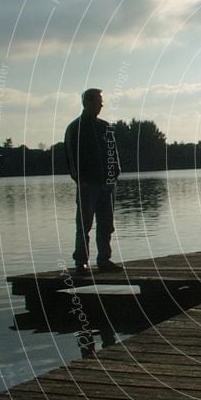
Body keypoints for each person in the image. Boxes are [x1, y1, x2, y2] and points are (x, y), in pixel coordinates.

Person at [65, 88, 122, 275]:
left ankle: (104, 260)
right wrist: (79, 180)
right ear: (87, 102)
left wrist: (115, 174)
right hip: (87, 185)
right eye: (98, 101)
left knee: (106, 224)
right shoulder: (75, 128)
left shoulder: (105, 126)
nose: (102, 105)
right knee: (84, 225)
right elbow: (71, 157)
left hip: (107, 185)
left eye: (101, 101)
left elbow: (113, 153)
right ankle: (81, 261)